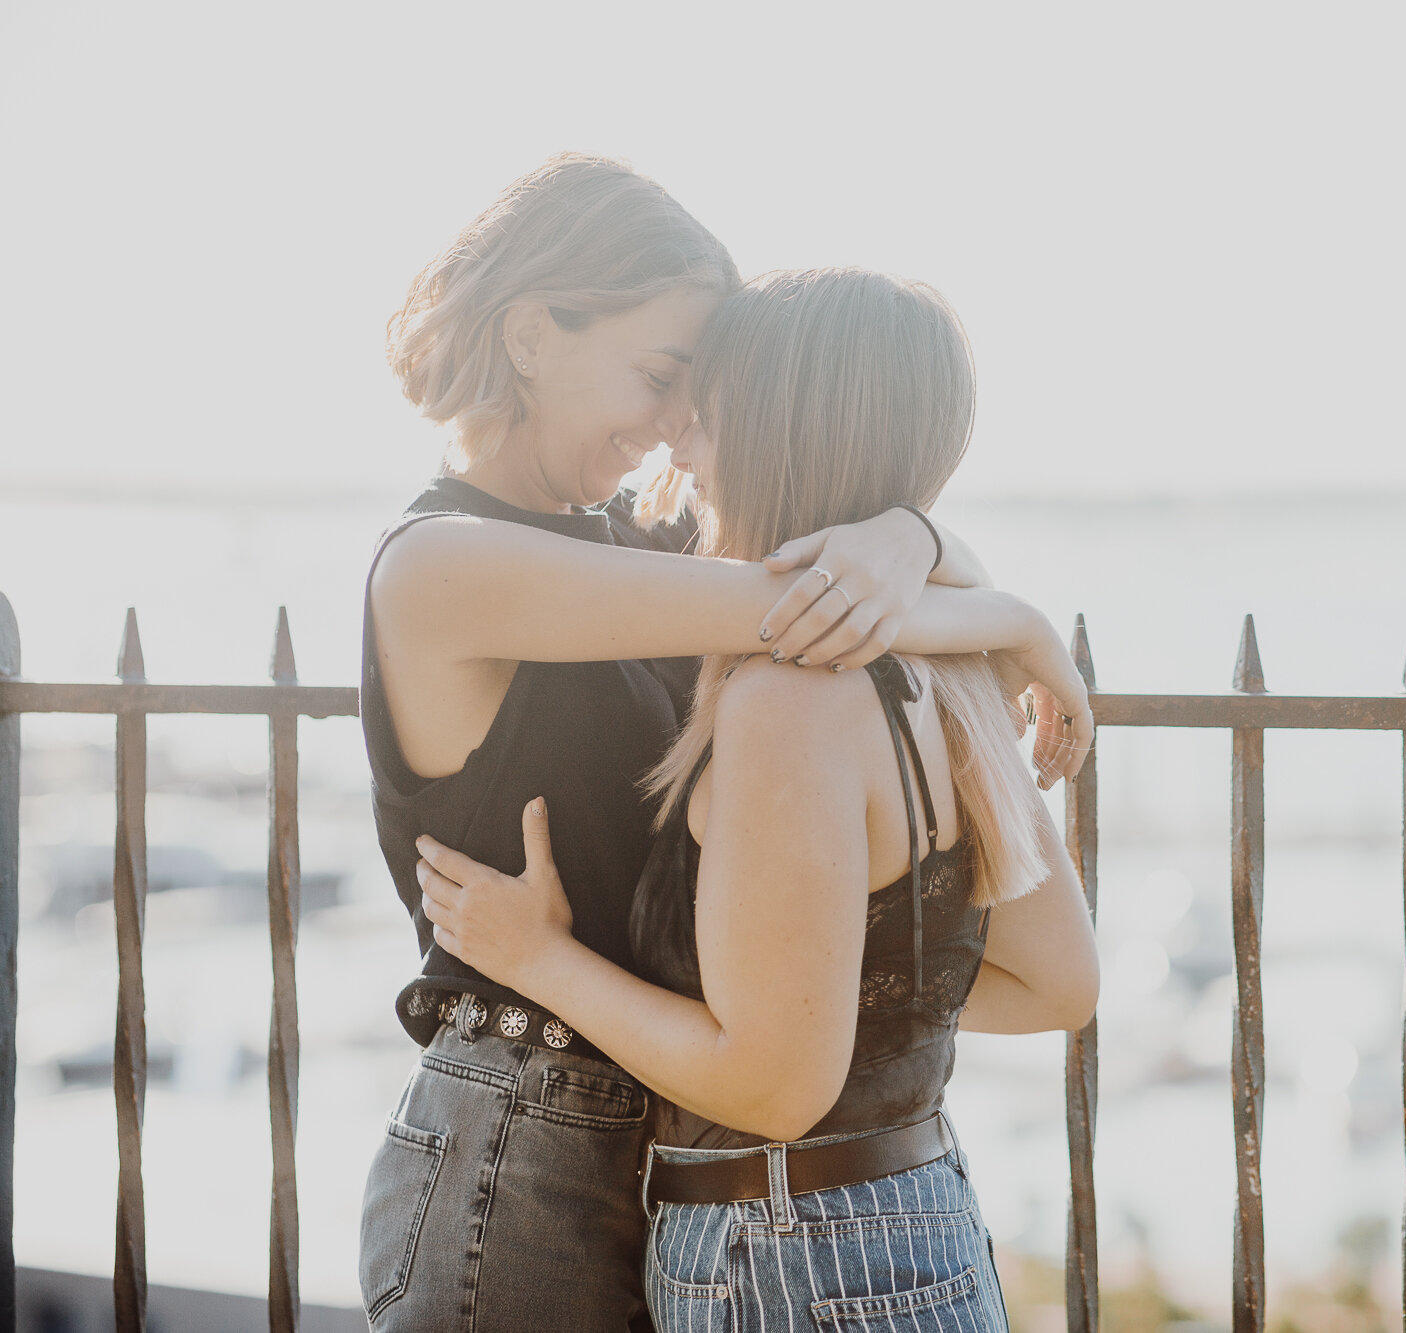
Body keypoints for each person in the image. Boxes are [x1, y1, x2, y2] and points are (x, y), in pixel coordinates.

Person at [359, 159, 1091, 1333]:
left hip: (676, 1132)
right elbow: (798, 599)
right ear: (533, 333)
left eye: (696, 398)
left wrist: (906, 531)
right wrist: (996, 609)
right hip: (522, 1138)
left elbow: (815, 535)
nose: (673, 432)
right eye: (657, 378)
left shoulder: (638, 546)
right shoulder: (444, 565)